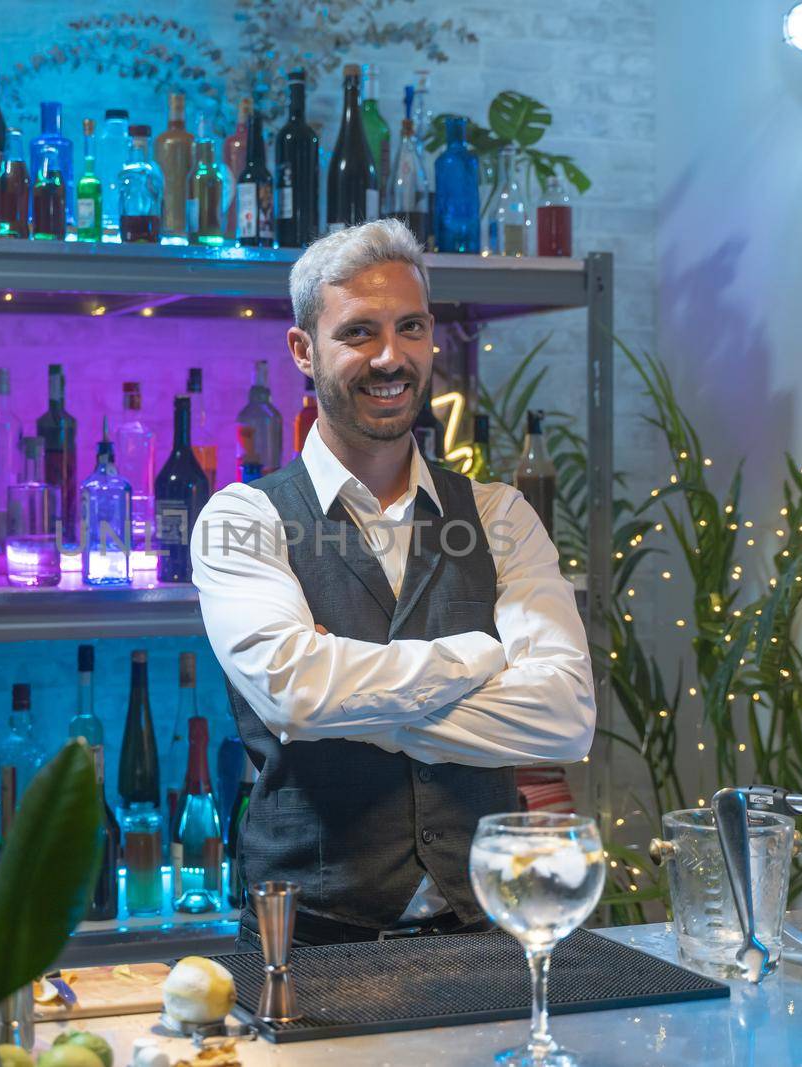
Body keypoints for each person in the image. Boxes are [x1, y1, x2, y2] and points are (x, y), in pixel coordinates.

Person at [192, 218, 596, 946]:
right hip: (309, 939)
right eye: (358, 333)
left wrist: (348, 705)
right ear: (303, 351)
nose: (390, 357)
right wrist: (482, 657)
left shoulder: (501, 515)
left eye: (410, 327)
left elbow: (564, 714)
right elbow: (298, 691)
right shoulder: (242, 518)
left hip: (486, 927)